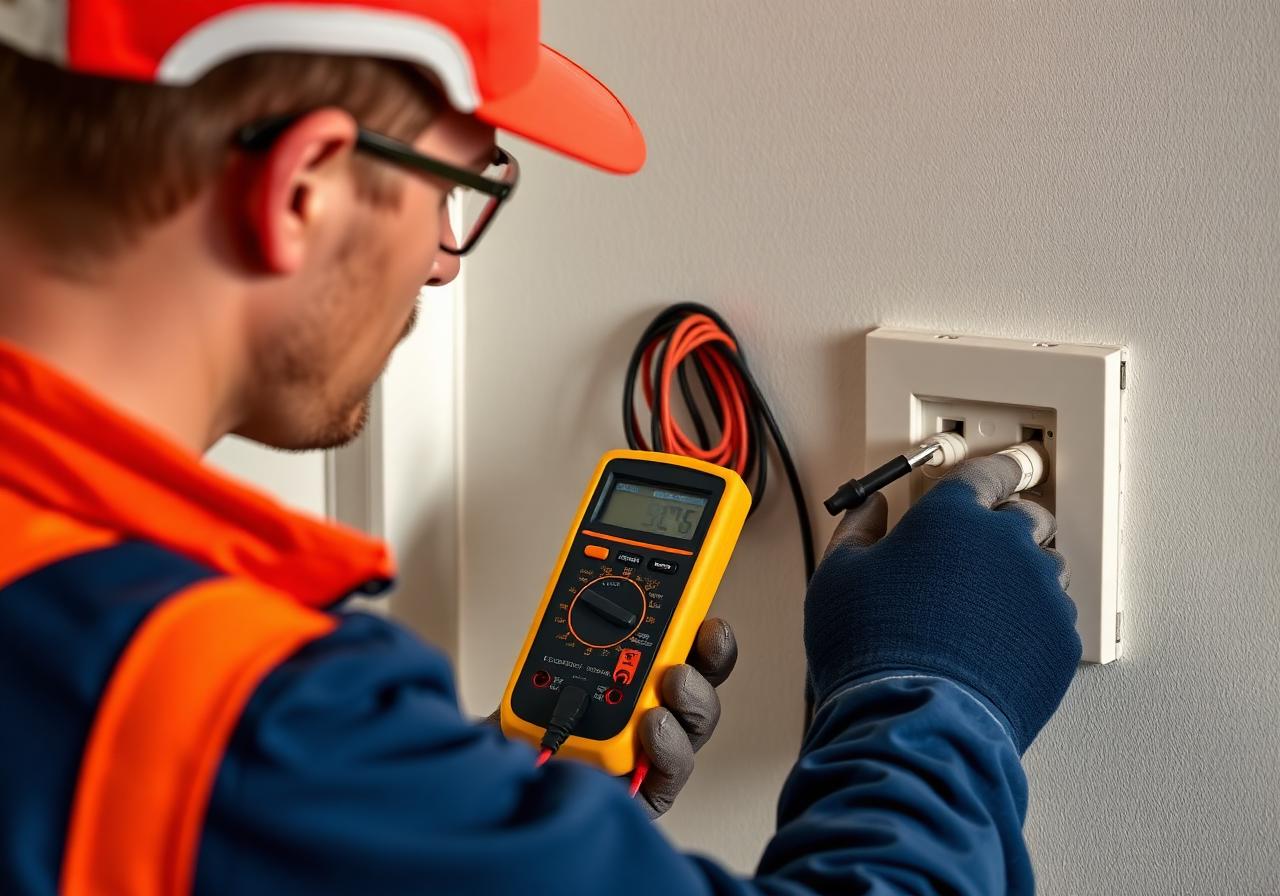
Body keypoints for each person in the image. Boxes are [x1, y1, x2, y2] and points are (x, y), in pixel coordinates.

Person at [0, 1, 1082, 893]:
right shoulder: (259, 731)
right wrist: (932, 695)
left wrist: (448, 819)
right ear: (304, 186)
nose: (441, 265)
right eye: (456, 190)